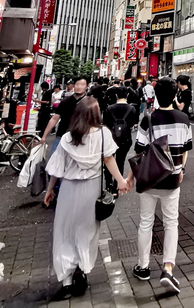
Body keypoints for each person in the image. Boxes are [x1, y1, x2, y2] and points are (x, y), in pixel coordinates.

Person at [44, 97, 130, 300]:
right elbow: (109, 159)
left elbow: (57, 167)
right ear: (95, 114)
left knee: (65, 231)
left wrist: (50, 189)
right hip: (91, 190)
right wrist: (120, 181)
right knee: (87, 231)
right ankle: (81, 271)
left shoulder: (67, 138)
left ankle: (66, 282)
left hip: (68, 189)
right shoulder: (103, 134)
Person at [127, 77, 192, 295]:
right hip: (172, 178)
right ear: (175, 96)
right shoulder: (184, 119)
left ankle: (143, 267)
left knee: (146, 222)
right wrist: (181, 169)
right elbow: (186, 148)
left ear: (155, 96)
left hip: (150, 179)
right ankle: (167, 269)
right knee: (171, 222)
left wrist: (129, 177)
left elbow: (139, 150)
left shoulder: (149, 119)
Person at [40, 77, 89, 154]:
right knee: (53, 160)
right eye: (77, 84)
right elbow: (54, 118)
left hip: (81, 138)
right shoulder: (65, 102)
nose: (79, 87)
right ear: (74, 86)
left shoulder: (90, 103)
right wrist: (44, 135)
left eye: (82, 85)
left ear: (86, 87)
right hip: (62, 135)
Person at [103, 90, 138, 175]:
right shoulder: (132, 109)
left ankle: (108, 183)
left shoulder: (109, 108)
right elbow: (133, 123)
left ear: (116, 95)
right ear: (127, 95)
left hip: (111, 137)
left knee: (108, 158)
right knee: (120, 160)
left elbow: (105, 123)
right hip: (125, 138)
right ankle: (118, 183)